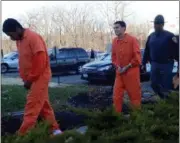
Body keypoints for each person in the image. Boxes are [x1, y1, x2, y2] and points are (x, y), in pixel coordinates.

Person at [2, 18, 62, 136]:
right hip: (31, 79)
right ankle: (55, 130)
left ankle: (23, 136)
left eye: (11, 34)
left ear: (17, 29)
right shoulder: (19, 41)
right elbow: (25, 60)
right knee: (44, 106)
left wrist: (30, 79)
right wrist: (25, 78)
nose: (11, 38)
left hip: (39, 77)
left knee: (32, 107)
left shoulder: (33, 37)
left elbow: (40, 59)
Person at [142, 15, 178, 98]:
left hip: (167, 64)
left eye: (158, 23)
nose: (156, 25)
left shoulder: (170, 36)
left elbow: (177, 51)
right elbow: (147, 51)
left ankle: (166, 103)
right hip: (154, 64)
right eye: (155, 23)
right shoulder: (151, 36)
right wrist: (143, 63)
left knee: (165, 85)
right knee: (153, 84)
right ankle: (162, 98)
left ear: (162, 24)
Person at [112, 21, 142, 113]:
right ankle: (116, 117)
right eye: (114, 28)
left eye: (117, 27)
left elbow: (137, 58)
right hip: (119, 73)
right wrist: (117, 66)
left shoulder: (132, 40)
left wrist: (127, 67)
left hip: (131, 74)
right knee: (116, 96)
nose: (115, 29)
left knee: (134, 97)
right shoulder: (114, 41)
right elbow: (113, 57)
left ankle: (137, 118)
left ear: (124, 28)